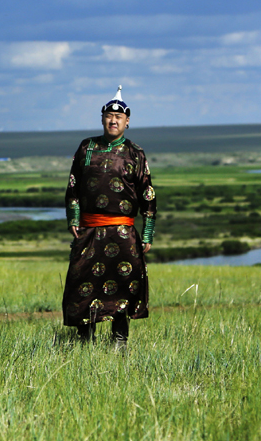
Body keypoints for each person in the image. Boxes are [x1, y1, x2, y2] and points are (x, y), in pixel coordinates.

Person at [62, 85, 156, 348]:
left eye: (119, 117)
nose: (113, 121)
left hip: (123, 231)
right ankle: (84, 342)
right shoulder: (86, 147)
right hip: (89, 229)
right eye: (108, 116)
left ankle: (119, 342)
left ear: (127, 122)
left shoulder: (135, 153)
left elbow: (147, 193)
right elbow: (73, 186)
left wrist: (147, 232)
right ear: (102, 118)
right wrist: (73, 219)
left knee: (124, 285)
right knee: (82, 283)